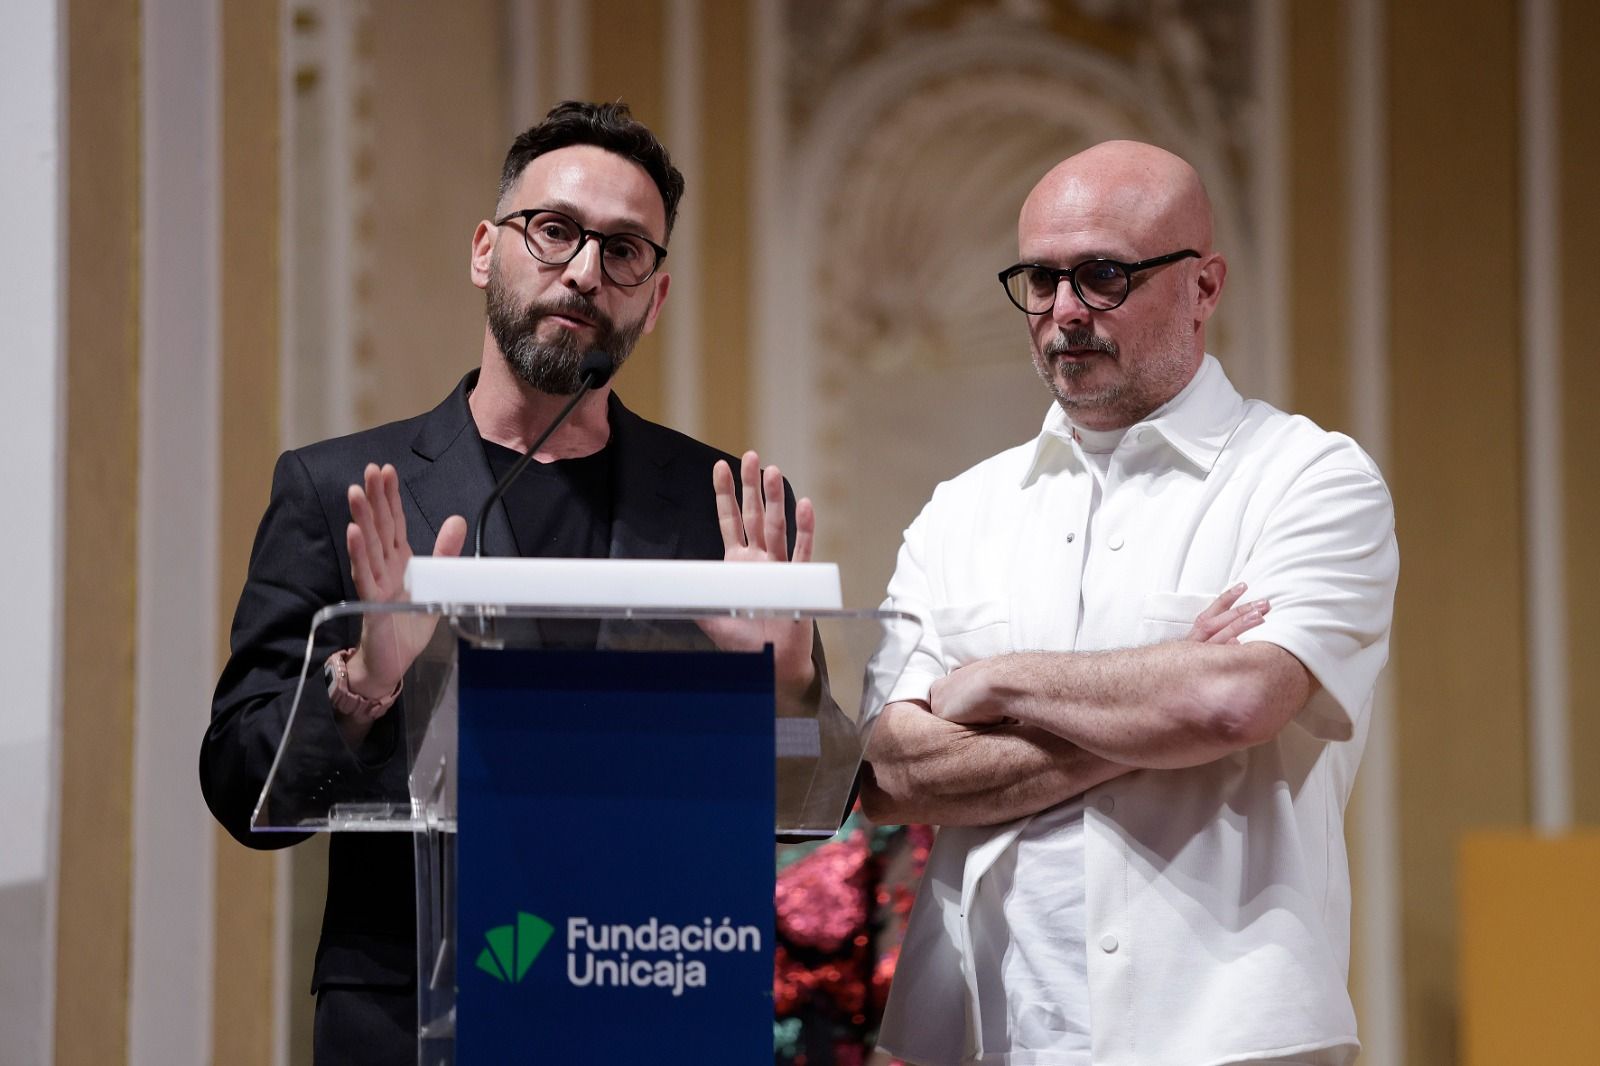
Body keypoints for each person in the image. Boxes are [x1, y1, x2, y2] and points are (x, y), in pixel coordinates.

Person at [200, 100, 816, 1064]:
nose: (582, 271)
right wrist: (367, 681)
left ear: (654, 299)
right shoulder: (343, 489)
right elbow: (241, 785)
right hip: (412, 1018)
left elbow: (803, 810)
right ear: (487, 249)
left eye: (624, 251)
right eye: (556, 231)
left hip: (651, 993)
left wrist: (785, 689)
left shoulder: (718, 512)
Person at [861, 140, 1398, 1066]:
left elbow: (1232, 701)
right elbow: (890, 775)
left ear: (1204, 286)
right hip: (990, 1033)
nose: (1064, 311)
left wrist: (995, 681)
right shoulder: (962, 512)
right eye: (1041, 278)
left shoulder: (1309, 477)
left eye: (1104, 275)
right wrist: (1159, 695)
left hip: (1231, 1037)